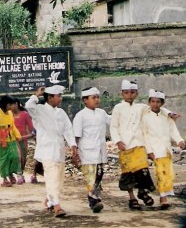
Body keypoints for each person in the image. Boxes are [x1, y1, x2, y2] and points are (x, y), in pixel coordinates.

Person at [110, 80, 178, 210]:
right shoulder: (118, 108)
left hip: (139, 145)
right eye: (126, 93)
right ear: (122, 94)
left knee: (143, 170)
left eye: (132, 92)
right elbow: (113, 127)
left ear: (136, 93)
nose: (129, 95)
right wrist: (117, 141)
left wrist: (169, 113)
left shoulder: (141, 107)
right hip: (125, 146)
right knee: (128, 173)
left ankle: (142, 191)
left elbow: (157, 108)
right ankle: (132, 198)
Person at [25, 85, 77, 218]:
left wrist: (72, 145)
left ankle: (49, 199)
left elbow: (68, 129)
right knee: (52, 176)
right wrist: (36, 94)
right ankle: (57, 206)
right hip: (46, 150)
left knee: (59, 179)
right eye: (58, 96)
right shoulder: (39, 110)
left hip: (59, 150)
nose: (60, 99)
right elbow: (28, 105)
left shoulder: (61, 113)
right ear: (49, 97)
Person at [141, 89, 184, 210]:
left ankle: (164, 194)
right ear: (149, 102)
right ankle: (163, 197)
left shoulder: (166, 116)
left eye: (158, 102)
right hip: (155, 150)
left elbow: (173, 130)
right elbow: (145, 135)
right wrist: (149, 151)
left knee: (169, 174)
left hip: (166, 149)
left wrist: (179, 140)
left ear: (162, 103)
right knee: (160, 173)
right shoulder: (145, 117)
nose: (155, 104)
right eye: (153, 101)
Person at [73, 87, 111, 213]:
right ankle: (93, 200)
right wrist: (75, 153)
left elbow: (113, 121)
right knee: (90, 176)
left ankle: (94, 197)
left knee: (99, 174)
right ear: (85, 100)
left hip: (100, 150)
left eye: (97, 97)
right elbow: (76, 136)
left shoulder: (101, 113)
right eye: (93, 98)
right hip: (87, 151)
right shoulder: (80, 116)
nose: (97, 100)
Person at [0, 95, 23, 187]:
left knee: (15, 157)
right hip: (2, 139)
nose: (12, 106)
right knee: (3, 159)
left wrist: (18, 135)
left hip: (11, 138)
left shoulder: (10, 113)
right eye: (11, 104)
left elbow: (13, 126)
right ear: (6, 104)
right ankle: (5, 178)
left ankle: (10, 173)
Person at [9, 97, 34, 185]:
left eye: (11, 104)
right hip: (11, 141)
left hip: (23, 140)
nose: (9, 106)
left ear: (16, 104)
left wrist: (23, 137)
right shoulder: (8, 115)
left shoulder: (25, 114)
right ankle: (15, 175)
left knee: (23, 159)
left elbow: (32, 131)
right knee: (16, 157)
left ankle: (21, 174)